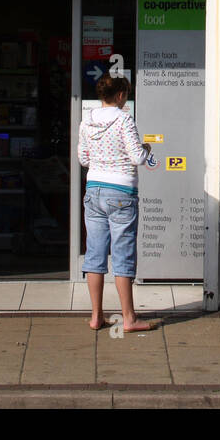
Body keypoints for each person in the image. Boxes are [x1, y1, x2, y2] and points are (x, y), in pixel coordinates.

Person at [77, 74, 154, 332]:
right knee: (123, 254)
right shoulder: (123, 119)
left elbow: (83, 158)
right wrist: (146, 149)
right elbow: (137, 157)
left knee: (95, 254)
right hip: (121, 191)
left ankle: (96, 316)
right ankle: (129, 318)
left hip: (94, 189)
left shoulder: (87, 120)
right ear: (120, 95)